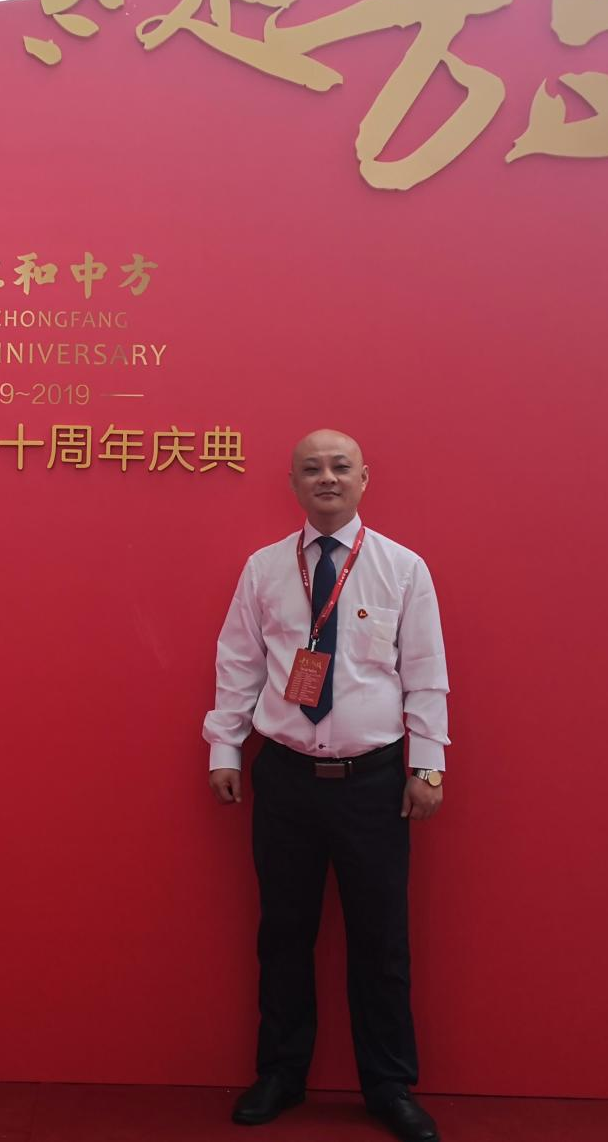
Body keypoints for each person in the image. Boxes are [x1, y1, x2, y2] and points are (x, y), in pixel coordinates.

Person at [203, 428, 449, 1140]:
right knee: (284, 932)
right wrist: (224, 747)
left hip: (374, 783)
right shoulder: (264, 568)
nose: (327, 478)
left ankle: (389, 1086)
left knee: (381, 939)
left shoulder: (402, 568)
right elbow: (239, 662)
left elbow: (425, 672)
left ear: (365, 478)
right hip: (285, 779)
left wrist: (427, 765)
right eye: (311, 468)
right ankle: (281, 1073)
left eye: (341, 466)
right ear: (293, 483)